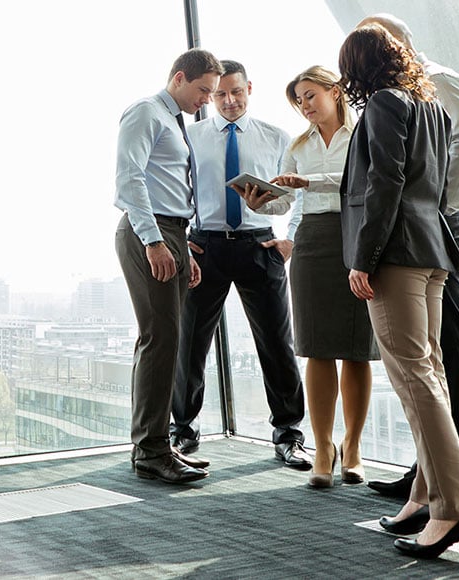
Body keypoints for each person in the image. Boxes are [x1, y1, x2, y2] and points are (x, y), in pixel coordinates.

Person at [338, 24, 459, 559]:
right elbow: (435, 186)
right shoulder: (431, 108)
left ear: (357, 66)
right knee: (432, 372)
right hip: (432, 251)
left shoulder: (381, 104)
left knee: (414, 377)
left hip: (395, 254)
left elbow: (385, 183)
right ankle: (423, 498)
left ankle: (453, 509)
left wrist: (363, 256)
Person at [170, 60, 312, 470]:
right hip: (205, 247)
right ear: (209, 95)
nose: (229, 102)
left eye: (236, 92)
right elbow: (176, 191)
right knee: (190, 341)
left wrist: (290, 240)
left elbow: (297, 194)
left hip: (259, 244)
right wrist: (181, 239)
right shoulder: (189, 137)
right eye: (220, 95)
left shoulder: (276, 138)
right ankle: (184, 427)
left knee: (276, 342)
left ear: (249, 88)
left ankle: (288, 433)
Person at [253, 65, 379, 488]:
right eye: (299, 100)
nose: (305, 106)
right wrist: (259, 202)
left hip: (356, 238)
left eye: (310, 95)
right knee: (317, 348)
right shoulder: (297, 145)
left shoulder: (363, 134)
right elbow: (284, 204)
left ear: (334, 92)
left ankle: (354, 446)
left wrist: (309, 180)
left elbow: (364, 182)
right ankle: (323, 446)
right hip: (313, 241)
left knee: (357, 349)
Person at [114, 49, 223, 484]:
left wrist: (183, 248)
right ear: (179, 78)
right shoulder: (146, 112)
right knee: (160, 339)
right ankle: (151, 451)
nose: (207, 101)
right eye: (203, 91)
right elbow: (130, 177)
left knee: (168, 339)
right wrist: (156, 241)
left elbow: (172, 183)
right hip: (150, 232)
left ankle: (158, 443)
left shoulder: (175, 120)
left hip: (174, 234)